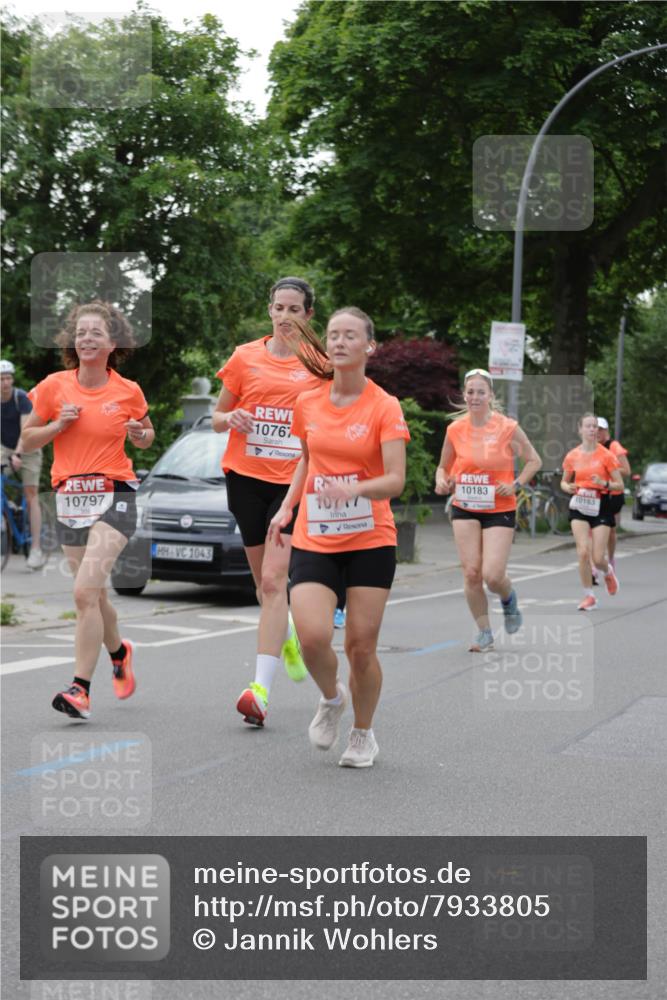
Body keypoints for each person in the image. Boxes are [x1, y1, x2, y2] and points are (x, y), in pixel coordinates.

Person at [268, 307, 409, 768]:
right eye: (333, 335)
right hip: (316, 533)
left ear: (370, 347)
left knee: (361, 646)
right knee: (311, 637)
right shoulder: (308, 402)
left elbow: (395, 481)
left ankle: (363, 734)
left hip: (370, 537)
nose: (340, 342)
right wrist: (288, 505)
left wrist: (355, 488)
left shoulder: (384, 405)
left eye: (351, 336)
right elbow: (307, 461)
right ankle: (331, 698)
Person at [21, 300, 153, 719]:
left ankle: (79, 689)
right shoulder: (54, 387)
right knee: (92, 596)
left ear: (113, 343)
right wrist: (58, 425)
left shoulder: (127, 390)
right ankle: (119, 652)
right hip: (70, 498)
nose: (87, 338)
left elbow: (146, 436)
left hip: (116, 493)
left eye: (96, 332)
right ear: (72, 343)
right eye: (81, 333)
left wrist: (141, 433)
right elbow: (27, 440)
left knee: (82, 593)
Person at [213, 277, 324, 727]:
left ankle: (259, 691)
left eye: (294, 310)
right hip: (245, 479)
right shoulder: (244, 357)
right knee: (265, 587)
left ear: (308, 316)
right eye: (278, 308)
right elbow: (218, 418)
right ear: (269, 311)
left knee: (276, 582)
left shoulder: (319, 365)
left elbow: (333, 417)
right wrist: (231, 416)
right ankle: (288, 633)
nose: (284, 317)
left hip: (292, 484)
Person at [434, 368, 542, 651]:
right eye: (470, 392)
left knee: (492, 575)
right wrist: (441, 480)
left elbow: (534, 461)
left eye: (481, 392)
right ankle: (484, 632)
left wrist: (516, 484)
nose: (475, 397)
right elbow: (443, 467)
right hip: (465, 506)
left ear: (491, 396)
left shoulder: (507, 427)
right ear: (464, 396)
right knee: (471, 573)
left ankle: (508, 599)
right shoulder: (455, 429)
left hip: (499, 507)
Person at [561, 414, 624, 611]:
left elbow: (619, 484)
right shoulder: (572, 455)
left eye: (595, 427)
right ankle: (589, 596)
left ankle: (607, 571)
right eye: (588, 426)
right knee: (582, 552)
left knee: (597, 557)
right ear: (580, 430)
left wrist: (603, 483)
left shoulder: (606, 456)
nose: (592, 430)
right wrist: (567, 487)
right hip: (579, 504)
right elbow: (564, 481)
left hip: (600, 505)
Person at [0, 359, 46, 568]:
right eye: (1, 379)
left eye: (8, 378)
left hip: (28, 448)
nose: (5, 382)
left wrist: (18, 454)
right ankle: (6, 507)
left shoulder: (21, 399)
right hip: (5, 448)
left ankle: (36, 548)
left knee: (31, 494)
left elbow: (26, 431)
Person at [596, 416, 630, 572]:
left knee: (610, 530)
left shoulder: (613, 446)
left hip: (613, 493)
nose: (597, 432)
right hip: (596, 492)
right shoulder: (592, 447)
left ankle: (610, 559)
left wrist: (608, 471)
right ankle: (594, 564)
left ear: (606, 431)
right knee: (593, 529)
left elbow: (626, 470)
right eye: (595, 428)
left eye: (601, 429)